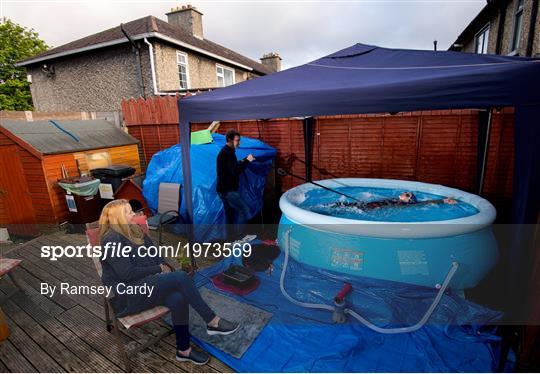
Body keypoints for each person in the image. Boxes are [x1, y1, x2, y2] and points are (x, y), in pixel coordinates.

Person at [99, 199, 239, 365]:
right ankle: (212, 321)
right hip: (130, 294)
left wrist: (164, 265)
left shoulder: (135, 230)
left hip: (148, 284)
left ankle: (184, 350)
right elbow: (127, 273)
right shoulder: (111, 240)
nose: (134, 214)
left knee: (178, 298)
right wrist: (159, 269)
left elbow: (155, 253)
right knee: (180, 276)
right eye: (129, 212)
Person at [216, 130, 255, 235]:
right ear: (229, 140)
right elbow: (234, 171)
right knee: (244, 209)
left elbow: (231, 167)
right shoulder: (227, 153)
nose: (239, 143)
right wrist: (247, 161)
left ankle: (231, 239)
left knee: (230, 214)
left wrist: (243, 160)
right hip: (228, 191)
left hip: (223, 190)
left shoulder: (227, 152)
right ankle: (241, 237)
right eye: (237, 140)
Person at [331, 191, 457, 210]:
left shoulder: (404, 205)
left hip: (372, 207)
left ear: (408, 200)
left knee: (346, 207)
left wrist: (444, 201)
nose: (403, 193)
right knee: (343, 205)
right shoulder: (397, 199)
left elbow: (426, 203)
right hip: (371, 204)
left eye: (406, 194)